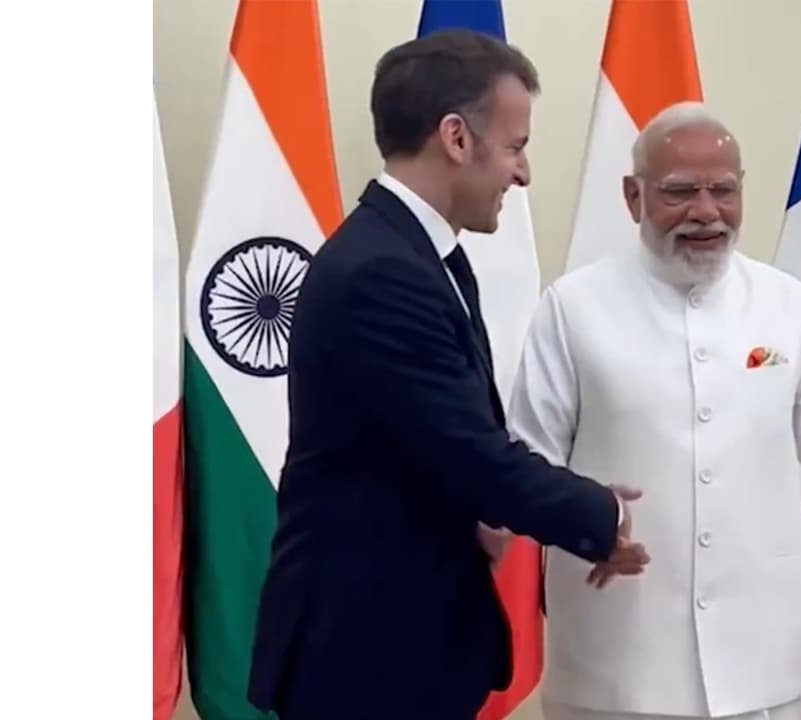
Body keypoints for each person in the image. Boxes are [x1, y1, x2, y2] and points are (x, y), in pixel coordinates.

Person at [246, 30, 649, 720]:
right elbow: (474, 456)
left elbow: (423, 444)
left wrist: (480, 514)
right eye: (516, 147)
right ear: (457, 138)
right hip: (365, 658)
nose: (522, 175)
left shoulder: (419, 256)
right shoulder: (383, 273)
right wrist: (602, 514)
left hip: (402, 642)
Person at [507, 102, 801, 720]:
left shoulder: (788, 306)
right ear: (632, 197)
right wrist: (582, 522)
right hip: (612, 680)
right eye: (679, 192)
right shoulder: (573, 307)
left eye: (723, 190)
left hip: (767, 682)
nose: (705, 211)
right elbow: (524, 467)